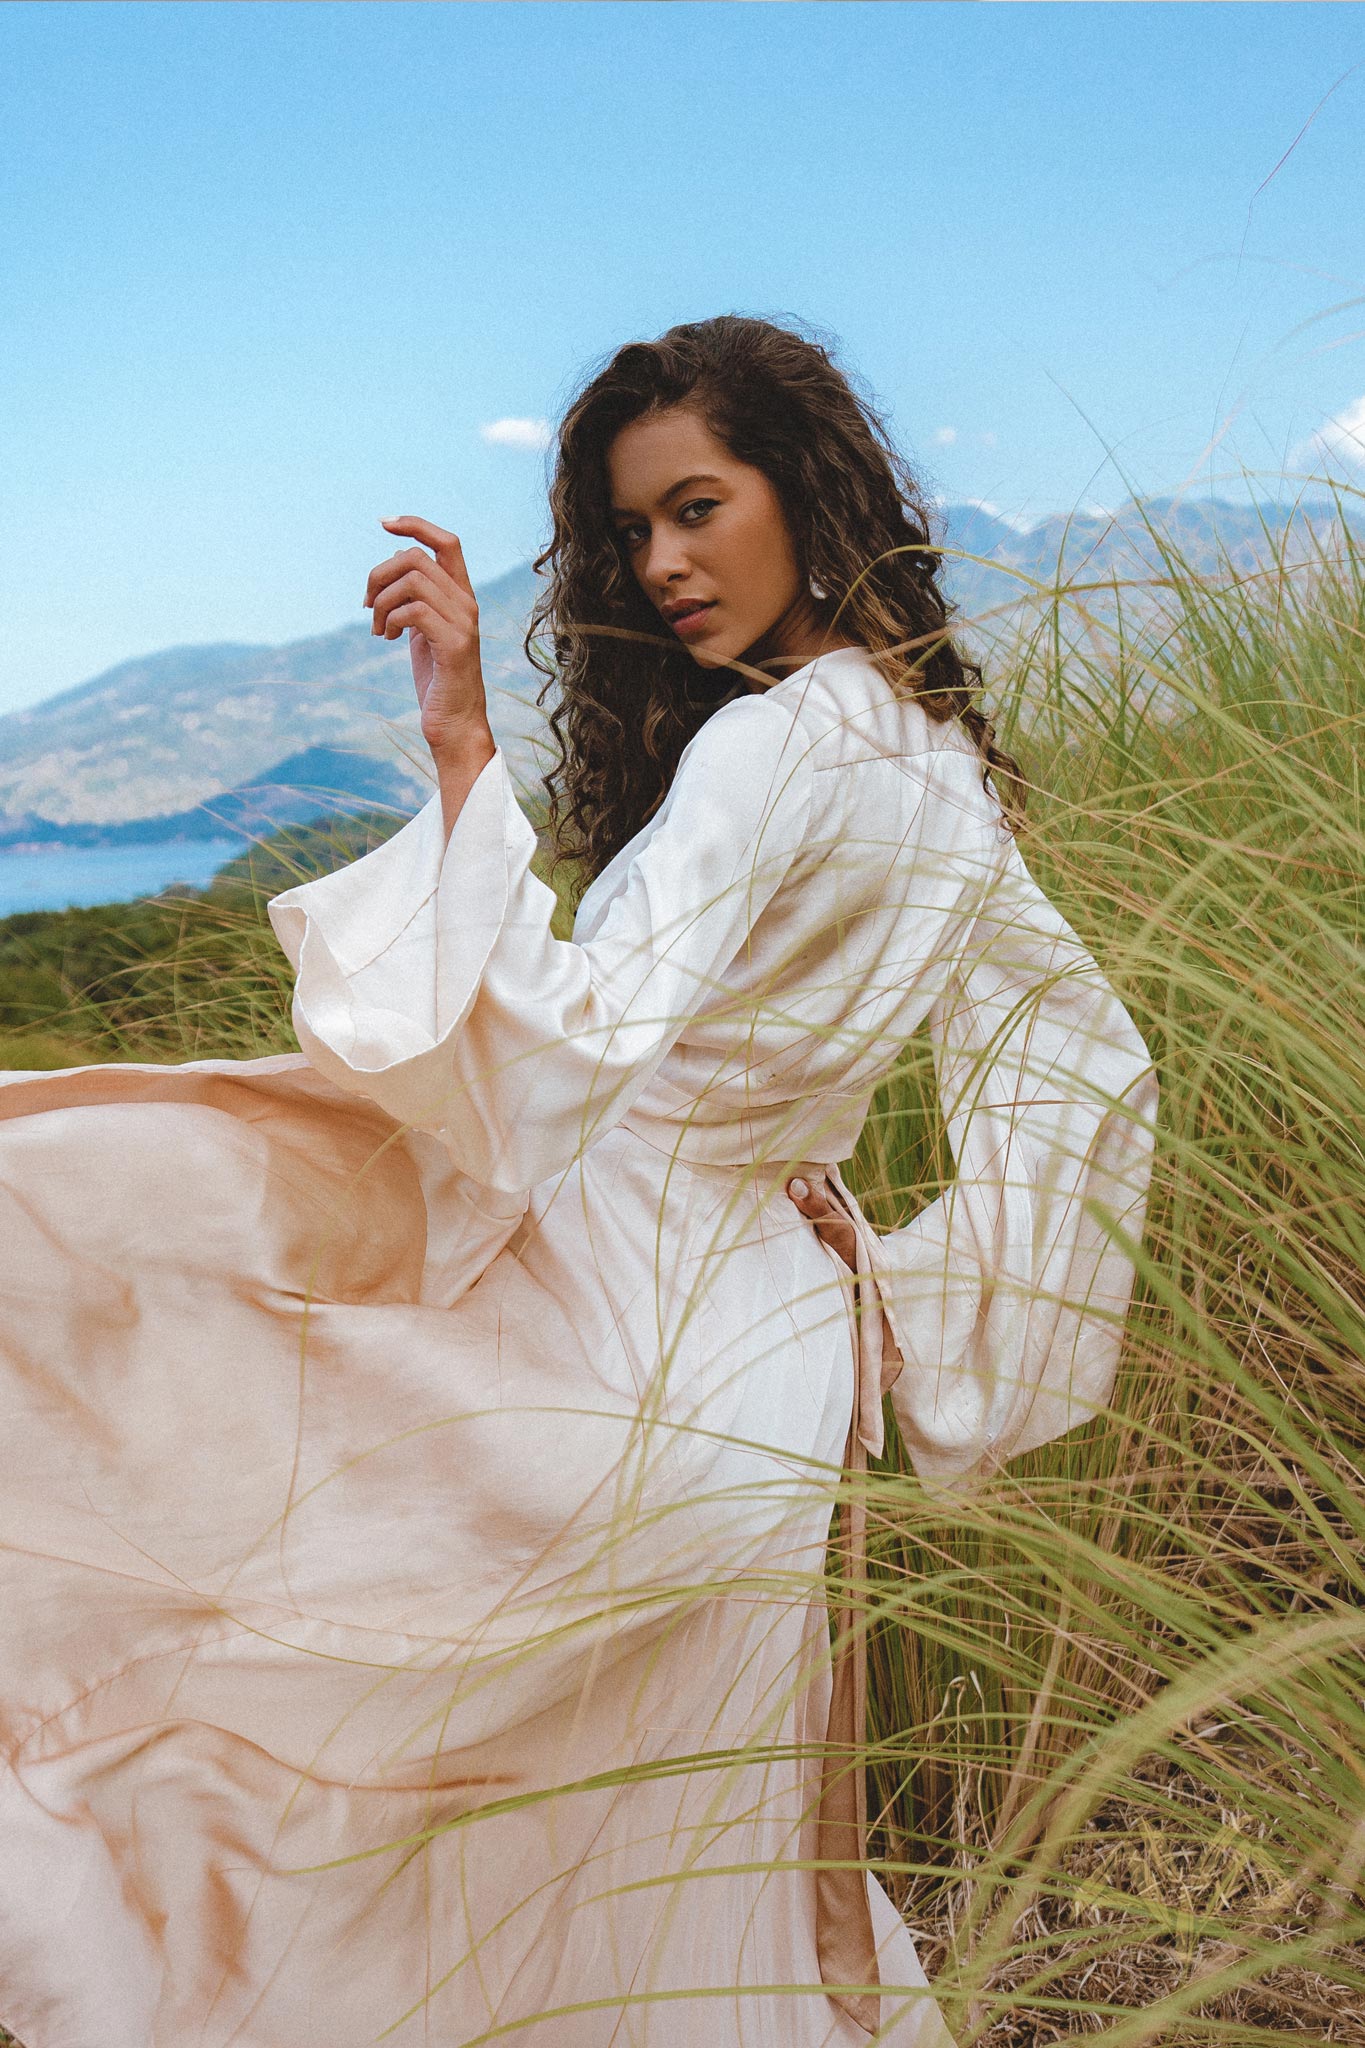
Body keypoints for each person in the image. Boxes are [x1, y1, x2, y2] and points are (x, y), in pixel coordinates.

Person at [0, 315, 1157, 2048]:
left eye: (697, 507)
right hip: (773, 1385)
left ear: (805, 490)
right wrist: (913, 1306)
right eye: (633, 530)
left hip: (610, 1321)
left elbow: (567, 1055)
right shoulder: (937, 762)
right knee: (671, 1867)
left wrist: (462, 746)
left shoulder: (769, 747)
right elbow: (1089, 1063)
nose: (663, 564)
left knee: (114, 1307)